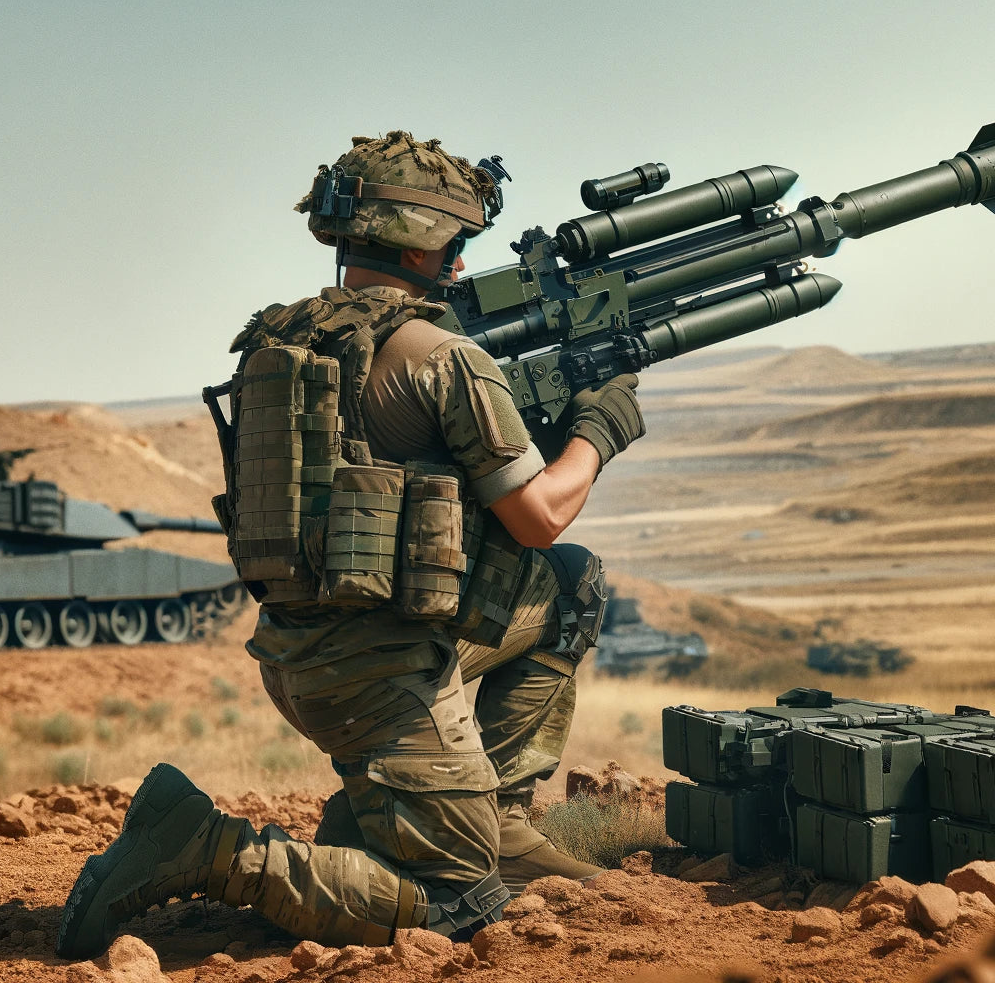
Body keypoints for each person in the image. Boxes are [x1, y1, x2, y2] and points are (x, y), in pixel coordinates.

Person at [56, 132, 644, 957]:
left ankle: (492, 820)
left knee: (568, 583)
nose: (464, 265)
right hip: (385, 683)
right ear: (415, 239)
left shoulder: (289, 344)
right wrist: (599, 431)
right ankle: (205, 847)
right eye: (457, 243)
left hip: (302, 661)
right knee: (457, 904)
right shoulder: (447, 359)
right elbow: (538, 518)